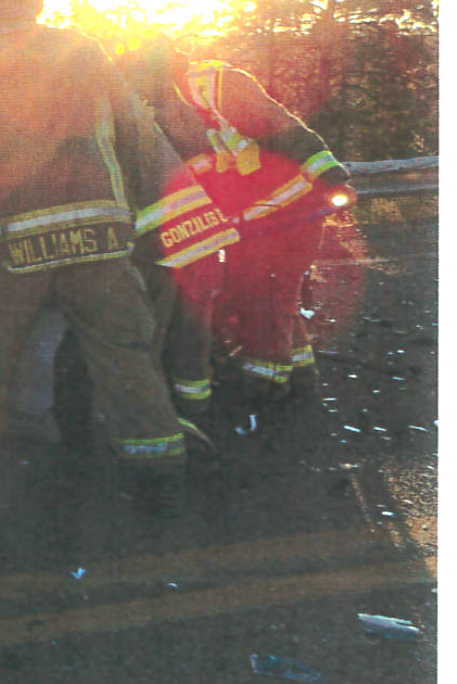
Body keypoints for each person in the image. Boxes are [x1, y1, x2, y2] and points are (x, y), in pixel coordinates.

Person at [0, 0, 227, 517]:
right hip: (100, 237)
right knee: (126, 356)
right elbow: (137, 135)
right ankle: (158, 471)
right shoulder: (82, 52)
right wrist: (146, 226)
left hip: (10, 244)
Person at [118, 37, 355, 410]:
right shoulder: (162, 111)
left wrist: (333, 179)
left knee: (266, 297)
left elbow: (287, 130)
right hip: (253, 220)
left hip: (292, 208)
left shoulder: (217, 85)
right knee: (274, 297)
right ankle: (300, 374)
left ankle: (268, 386)